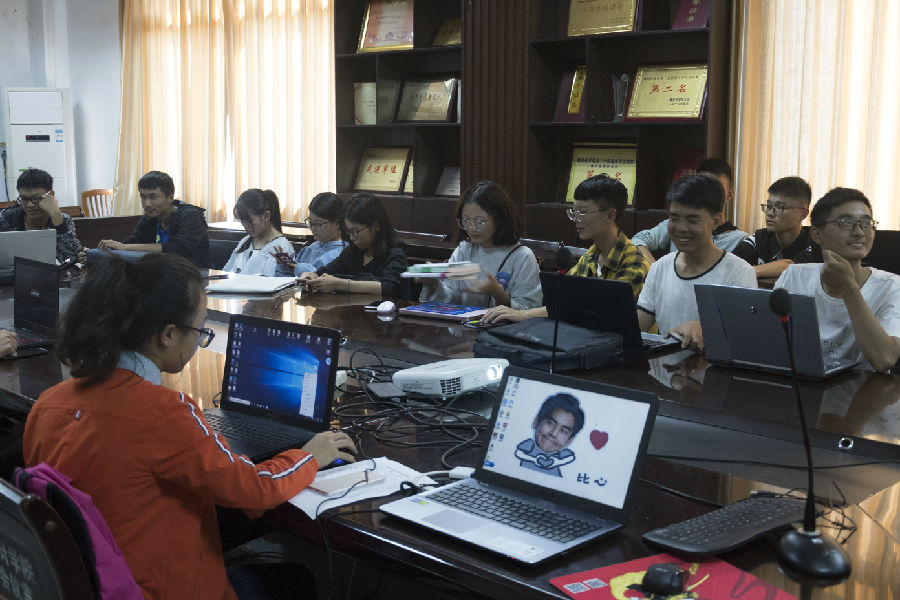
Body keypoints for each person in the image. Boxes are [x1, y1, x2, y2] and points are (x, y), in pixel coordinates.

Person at [22, 253, 355, 599]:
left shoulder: (48, 404)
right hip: (160, 590)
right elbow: (253, 489)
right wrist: (310, 456)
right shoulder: (163, 413)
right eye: (200, 329)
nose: (199, 340)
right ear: (167, 335)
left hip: (95, 584)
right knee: (296, 579)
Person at [482, 174, 648, 323]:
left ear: (610, 215)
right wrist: (520, 314)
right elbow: (561, 301)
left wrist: (523, 315)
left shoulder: (634, 262)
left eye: (583, 212)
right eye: (574, 212)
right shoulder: (589, 257)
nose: (576, 219)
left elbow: (598, 312)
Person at [775, 188, 900, 372]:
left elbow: (884, 359)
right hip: (800, 382)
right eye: (845, 222)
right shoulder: (794, 276)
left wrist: (849, 288)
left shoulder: (892, 286)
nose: (859, 232)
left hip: (863, 387)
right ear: (817, 234)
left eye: (866, 223)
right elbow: (768, 339)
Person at [637, 174, 757, 350]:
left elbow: (744, 337)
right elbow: (637, 327)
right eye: (674, 218)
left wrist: (706, 328)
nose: (681, 228)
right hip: (664, 365)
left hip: (715, 366)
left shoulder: (739, 273)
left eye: (692, 220)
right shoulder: (661, 267)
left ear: (715, 221)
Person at [419, 181, 542, 310]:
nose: (471, 228)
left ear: (499, 219)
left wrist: (498, 293)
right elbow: (451, 300)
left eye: (479, 222)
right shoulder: (464, 250)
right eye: (466, 220)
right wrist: (434, 284)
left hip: (502, 324)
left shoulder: (522, 257)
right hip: (464, 323)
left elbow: (530, 312)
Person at [632, 159, 748, 263]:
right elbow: (638, 240)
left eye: (716, 189)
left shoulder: (741, 240)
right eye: (701, 188)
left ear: (730, 194)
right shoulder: (675, 225)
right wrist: (655, 268)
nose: (707, 195)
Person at [299, 193, 407, 297]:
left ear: (376, 225)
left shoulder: (395, 254)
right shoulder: (352, 252)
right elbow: (325, 271)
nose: (351, 237)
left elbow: (389, 288)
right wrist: (311, 276)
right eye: (349, 231)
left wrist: (340, 285)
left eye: (355, 231)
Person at [98, 171, 211, 268]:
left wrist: (124, 247)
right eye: (143, 197)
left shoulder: (191, 216)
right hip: (161, 273)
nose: (147, 204)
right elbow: (134, 241)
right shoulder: (150, 217)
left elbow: (177, 249)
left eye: (153, 197)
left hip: (196, 276)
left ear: (170, 197)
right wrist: (109, 248)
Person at [732, 176, 822, 278]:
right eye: (769, 206)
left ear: (803, 214)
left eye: (780, 207)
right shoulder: (758, 239)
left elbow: (791, 266)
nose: (770, 213)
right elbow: (730, 266)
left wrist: (746, 271)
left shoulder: (815, 242)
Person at [0, 168, 83, 264]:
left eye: (36, 198)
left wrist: (56, 216)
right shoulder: (7, 219)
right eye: (24, 199)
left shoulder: (62, 219)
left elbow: (72, 257)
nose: (30, 205)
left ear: (51, 195)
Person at [222, 189, 293, 276]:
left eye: (249, 221)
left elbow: (283, 279)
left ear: (266, 216)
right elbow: (226, 273)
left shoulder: (282, 247)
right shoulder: (245, 241)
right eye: (242, 221)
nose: (244, 225)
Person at [273, 192, 346, 277]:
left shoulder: (342, 253)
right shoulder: (311, 247)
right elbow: (287, 277)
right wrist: (283, 265)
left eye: (318, 224)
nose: (312, 228)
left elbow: (315, 276)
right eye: (310, 222)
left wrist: (294, 266)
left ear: (337, 223)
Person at [515, 393, 584, 478]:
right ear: (536, 421)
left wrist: (555, 462)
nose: (553, 433)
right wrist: (535, 460)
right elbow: (519, 453)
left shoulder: (562, 454)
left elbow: (570, 458)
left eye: (563, 431)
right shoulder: (529, 445)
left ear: (570, 440)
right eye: (550, 423)